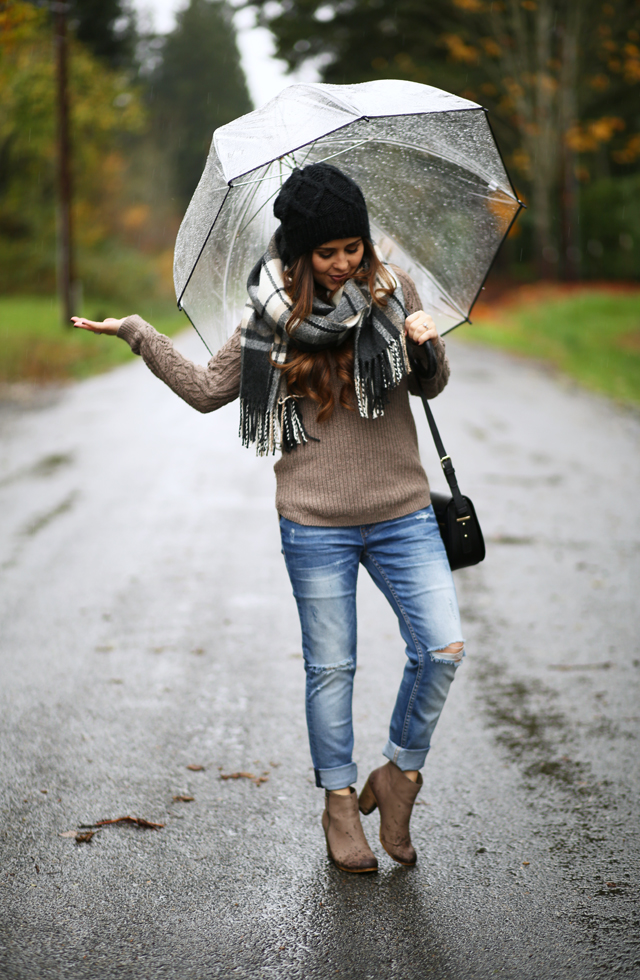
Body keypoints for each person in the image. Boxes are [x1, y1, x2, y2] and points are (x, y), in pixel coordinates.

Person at [72, 163, 464, 874]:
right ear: (299, 253)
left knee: (441, 650)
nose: (345, 263)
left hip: (403, 510)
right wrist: (136, 333)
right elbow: (203, 390)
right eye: (328, 252)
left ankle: (399, 776)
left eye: (353, 246)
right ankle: (340, 803)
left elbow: (429, 384)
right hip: (314, 520)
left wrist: (426, 343)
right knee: (331, 669)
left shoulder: (392, 291)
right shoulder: (269, 318)